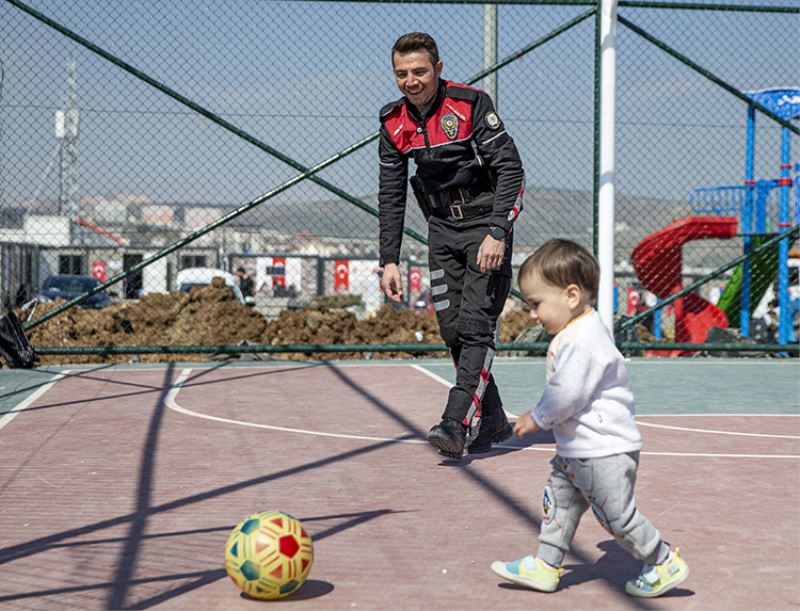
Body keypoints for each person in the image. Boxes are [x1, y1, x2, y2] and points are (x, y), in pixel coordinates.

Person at [490, 239, 690, 598]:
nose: (534, 314)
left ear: (570, 295)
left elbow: (567, 394)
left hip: (603, 452)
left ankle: (662, 561)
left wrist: (537, 418)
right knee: (559, 503)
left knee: (617, 518)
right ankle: (547, 565)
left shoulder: (583, 340)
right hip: (577, 451)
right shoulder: (576, 331)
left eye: (537, 304)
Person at [378, 32, 525, 459]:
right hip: (441, 230)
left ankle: (455, 422)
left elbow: (511, 171)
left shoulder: (471, 104)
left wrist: (498, 231)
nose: (411, 81)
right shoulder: (391, 121)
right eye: (402, 73)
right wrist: (389, 259)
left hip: (485, 228)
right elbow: (391, 194)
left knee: (477, 325)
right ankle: (494, 417)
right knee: (452, 329)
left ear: (438, 69)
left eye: (419, 71)